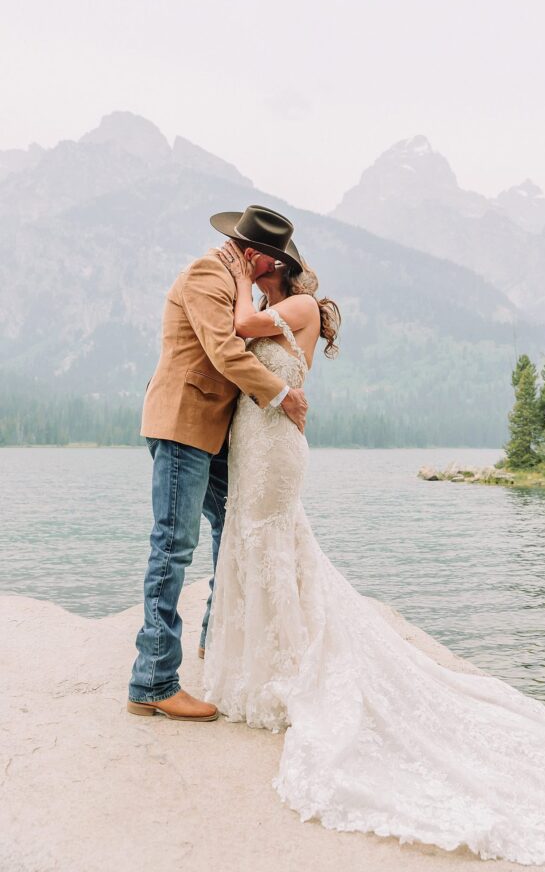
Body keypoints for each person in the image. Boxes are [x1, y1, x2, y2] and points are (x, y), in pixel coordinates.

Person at [203, 241, 545, 866]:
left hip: (276, 449)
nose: (242, 260)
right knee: (256, 542)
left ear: (271, 262)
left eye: (250, 255)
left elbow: (239, 326)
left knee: (272, 541)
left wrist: (234, 279)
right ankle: (261, 667)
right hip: (254, 440)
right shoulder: (275, 303)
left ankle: (288, 669)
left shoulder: (299, 306)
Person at [127, 205, 308, 722]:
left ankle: (212, 637)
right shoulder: (209, 273)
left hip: (212, 433)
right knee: (172, 546)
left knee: (233, 525)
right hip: (183, 426)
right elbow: (225, 351)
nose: (271, 276)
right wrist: (282, 396)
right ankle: (153, 680)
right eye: (271, 267)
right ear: (254, 255)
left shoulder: (237, 280)